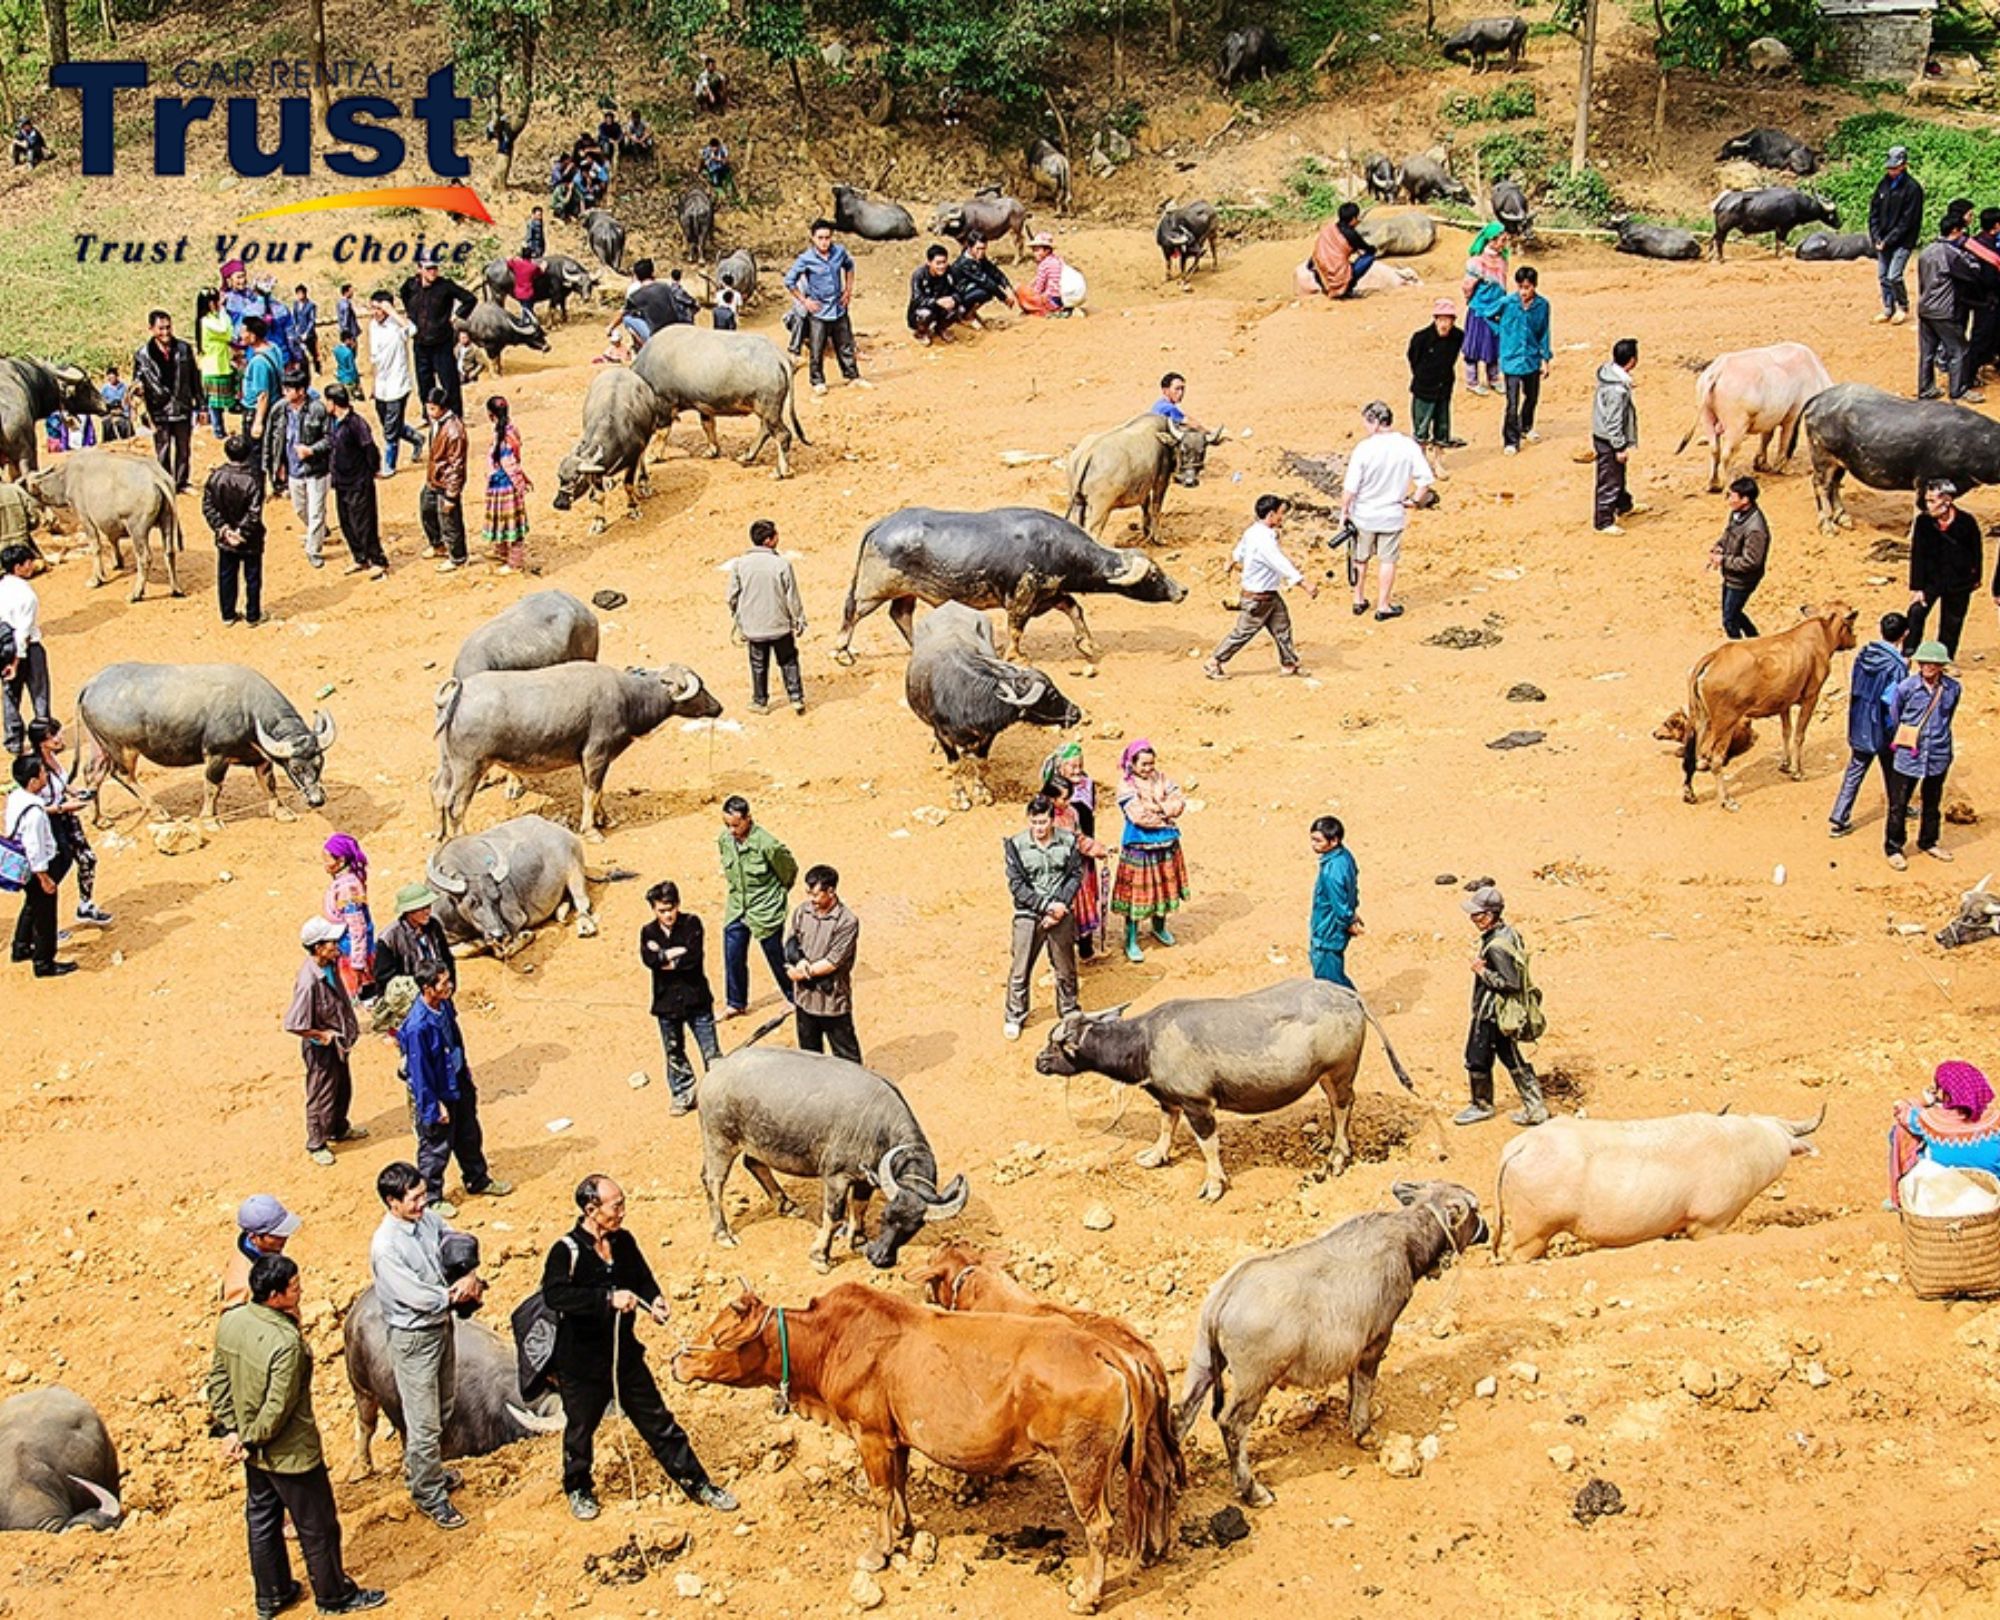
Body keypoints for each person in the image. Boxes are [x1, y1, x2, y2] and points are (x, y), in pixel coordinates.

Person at [543, 1174, 736, 1521]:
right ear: (591, 1209)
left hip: (625, 1356)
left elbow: (641, 1278)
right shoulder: (566, 1251)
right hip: (582, 1363)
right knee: (580, 1431)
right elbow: (556, 1296)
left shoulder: (624, 1241)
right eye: (616, 1205)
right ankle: (578, 1488)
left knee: (659, 1422)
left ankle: (697, 1483)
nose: (622, 1212)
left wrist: (655, 1300)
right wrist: (606, 1299)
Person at [208, 1253, 387, 1619]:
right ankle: (334, 1597)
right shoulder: (287, 1343)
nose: (301, 1291)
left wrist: (233, 1430)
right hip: (290, 1454)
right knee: (318, 1527)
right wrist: (252, 1437)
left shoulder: (232, 1322)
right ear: (275, 1296)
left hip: (254, 1452)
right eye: (294, 1287)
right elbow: (278, 1408)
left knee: (261, 1519)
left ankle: (272, 1594)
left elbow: (218, 1385)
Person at [369, 1161, 483, 1530]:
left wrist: (467, 1272)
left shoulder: (427, 1221)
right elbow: (415, 1296)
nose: (423, 1203)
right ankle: (428, 1493)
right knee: (423, 1422)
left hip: (441, 1328)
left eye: (423, 1195)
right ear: (392, 1202)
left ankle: (427, 1471)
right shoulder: (386, 1247)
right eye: (415, 1198)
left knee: (443, 1404)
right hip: (415, 1337)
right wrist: (455, 1294)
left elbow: (453, 1243)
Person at [398, 965, 511, 1212]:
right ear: (428, 989)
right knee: (436, 1145)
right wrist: (434, 1104)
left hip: (457, 1079)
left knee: (468, 1133)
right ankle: (432, 1197)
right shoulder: (418, 1027)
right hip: (437, 1089)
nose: (449, 986)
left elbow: (454, 1038)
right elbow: (419, 1073)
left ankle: (477, 1179)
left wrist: (465, 1069)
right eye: (443, 983)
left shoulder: (445, 1005)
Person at [1457, 884, 1547, 1127]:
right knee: (1511, 1056)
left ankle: (1482, 1104)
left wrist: (1482, 971)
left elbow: (1510, 982)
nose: (1473, 919)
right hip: (1506, 1012)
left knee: (1476, 1058)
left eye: (1477, 915)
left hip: (1491, 1013)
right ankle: (1535, 1106)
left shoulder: (1496, 946)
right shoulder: (1509, 934)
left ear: (1489, 915)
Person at [1340, 399, 1434, 622]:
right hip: (1391, 515)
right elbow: (1425, 480)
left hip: (1363, 514)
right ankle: (1383, 605)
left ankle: (1358, 599)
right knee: (1388, 560)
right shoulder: (1407, 445)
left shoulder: (1364, 448)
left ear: (1374, 422)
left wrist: (1344, 511)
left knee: (1360, 559)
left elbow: (1350, 488)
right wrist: (1413, 501)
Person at [1205, 493, 1316, 679]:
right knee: (1242, 634)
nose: (1283, 518)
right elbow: (1280, 563)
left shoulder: (1253, 532)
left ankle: (1289, 663)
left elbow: (1239, 551)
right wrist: (1304, 584)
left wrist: (1231, 561)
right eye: (1281, 513)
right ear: (1271, 515)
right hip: (1258, 598)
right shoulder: (1264, 540)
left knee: (1282, 628)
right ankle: (1214, 662)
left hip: (1269, 595)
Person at [1002, 795, 1082, 1041]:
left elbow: (1074, 875)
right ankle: (1015, 1015)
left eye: (1043, 822)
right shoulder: (1016, 845)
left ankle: (1069, 1010)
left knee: (1065, 967)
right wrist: (1045, 906)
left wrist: (1060, 906)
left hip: (1061, 911)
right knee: (1020, 967)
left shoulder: (1068, 842)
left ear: (1052, 819)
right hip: (1029, 913)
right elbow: (1017, 885)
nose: (1039, 827)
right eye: (1034, 822)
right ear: (1029, 820)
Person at [284, 917, 361, 1165]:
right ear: (318, 948)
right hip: (321, 1049)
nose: (337, 946)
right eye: (331, 942)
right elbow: (295, 1023)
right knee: (321, 1094)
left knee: (342, 1088)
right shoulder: (309, 981)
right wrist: (321, 1035)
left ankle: (339, 1128)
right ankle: (316, 1142)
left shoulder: (330, 964)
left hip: (338, 1041)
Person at [1830, 610, 1910, 838]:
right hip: (1882, 726)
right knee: (1894, 769)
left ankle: (1839, 816)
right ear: (1904, 634)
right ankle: (1898, 807)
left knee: (1855, 769)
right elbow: (1891, 701)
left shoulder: (1865, 654)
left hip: (1859, 720)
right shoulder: (1896, 666)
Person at [642, 880, 718, 1115]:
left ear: (678, 905)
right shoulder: (648, 932)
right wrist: (674, 954)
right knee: (674, 1051)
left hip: (697, 999)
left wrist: (664, 956)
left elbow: (693, 958)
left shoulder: (692, 923)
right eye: (662, 910)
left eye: (670, 908)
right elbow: (650, 961)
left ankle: (717, 1097)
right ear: (654, 910)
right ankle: (682, 1094)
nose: (667, 915)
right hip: (666, 1004)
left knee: (711, 1052)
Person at [718, 796, 798, 1017]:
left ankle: (793, 996)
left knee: (775, 955)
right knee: (733, 954)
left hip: (765, 909)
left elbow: (788, 871)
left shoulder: (767, 845)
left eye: (736, 825)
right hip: (737, 906)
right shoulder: (724, 841)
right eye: (727, 825)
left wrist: (776, 895)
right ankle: (736, 1002)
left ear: (748, 819)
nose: (732, 830)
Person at [1884, 639, 1961, 870]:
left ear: (1941, 666)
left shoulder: (1952, 688)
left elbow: (1949, 715)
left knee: (1932, 801)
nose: (1929, 666)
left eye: (1934, 663)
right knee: (1899, 803)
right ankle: (1894, 847)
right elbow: (1896, 714)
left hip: (1938, 753)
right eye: (1925, 662)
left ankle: (1928, 841)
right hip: (1909, 755)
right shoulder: (1906, 687)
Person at [1111, 740, 1187, 963]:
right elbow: (1138, 816)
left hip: (1167, 844)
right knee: (1136, 895)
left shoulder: (1161, 779)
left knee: (1164, 887)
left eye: (1151, 763)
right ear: (1132, 764)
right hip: (1139, 847)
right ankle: (1131, 938)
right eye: (1143, 764)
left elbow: (1179, 802)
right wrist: (1166, 815)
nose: (1148, 768)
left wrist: (1158, 807)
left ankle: (1159, 927)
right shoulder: (1126, 786)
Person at [28, 719, 108, 928]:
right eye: (53, 736)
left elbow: (61, 785)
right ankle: (41, 927)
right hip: (48, 824)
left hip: (66, 817)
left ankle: (85, 905)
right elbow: (33, 808)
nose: (59, 738)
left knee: (87, 859)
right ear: (42, 742)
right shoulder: (34, 768)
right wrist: (64, 807)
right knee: (53, 874)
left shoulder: (52, 758)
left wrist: (79, 792)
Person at [1889, 1061, 2000, 1206]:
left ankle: (1899, 1198)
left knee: (1899, 1131)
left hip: (1943, 1191)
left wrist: (1927, 1098)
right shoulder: (1996, 1119)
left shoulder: (1930, 1119)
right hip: (1991, 1189)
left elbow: (1900, 1109)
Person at [727, 518, 807, 713]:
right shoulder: (781, 564)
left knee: (758, 664)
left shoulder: (740, 564)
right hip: (779, 625)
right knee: (788, 660)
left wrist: (739, 617)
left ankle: (760, 701)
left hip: (753, 628)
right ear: (769, 541)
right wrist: (799, 619)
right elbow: (792, 597)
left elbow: (731, 596)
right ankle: (796, 698)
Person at [785, 865, 862, 1061]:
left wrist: (802, 973)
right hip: (804, 999)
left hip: (831, 1002)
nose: (812, 899)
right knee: (809, 1057)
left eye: (816, 895)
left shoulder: (847, 921)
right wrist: (800, 961)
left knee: (847, 1058)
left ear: (831, 891)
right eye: (809, 893)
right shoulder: (803, 911)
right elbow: (791, 941)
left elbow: (833, 962)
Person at [7, 753, 73, 977]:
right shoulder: (35, 812)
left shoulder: (16, 797)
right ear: (33, 781)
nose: (46, 775)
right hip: (37, 868)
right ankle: (44, 963)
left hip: (22, 865)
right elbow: (35, 848)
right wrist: (44, 878)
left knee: (32, 905)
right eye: (43, 773)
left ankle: (20, 947)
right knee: (45, 915)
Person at [786, 220, 865, 395]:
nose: (824, 242)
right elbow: (789, 281)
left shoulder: (839, 252)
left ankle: (853, 376)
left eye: (827, 238)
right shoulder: (806, 259)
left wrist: (848, 289)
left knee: (845, 344)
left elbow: (849, 266)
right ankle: (817, 380)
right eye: (820, 238)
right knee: (817, 347)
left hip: (838, 306)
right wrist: (804, 301)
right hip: (819, 310)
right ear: (813, 238)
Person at [1905, 479, 1981, 657]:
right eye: (1927, 500)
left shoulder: (1966, 522)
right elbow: (1918, 555)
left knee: (1952, 622)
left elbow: (1976, 551)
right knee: (1916, 613)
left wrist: (1975, 577)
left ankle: (1944, 657)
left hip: (1958, 582)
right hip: (1931, 581)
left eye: (1932, 501)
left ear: (1947, 501)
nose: (1928, 505)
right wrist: (1917, 587)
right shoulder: (1923, 522)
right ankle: (1909, 651)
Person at [399, 249, 477, 419]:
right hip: (420, 344)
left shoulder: (445, 286)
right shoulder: (410, 286)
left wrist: (457, 316)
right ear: (419, 269)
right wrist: (411, 318)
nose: (433, 271)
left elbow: (470, 299)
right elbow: (403, 295)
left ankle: (456, 416)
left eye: (435, 268)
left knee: (449, 382)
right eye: (428, 268)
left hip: (442, 343)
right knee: (424, 383)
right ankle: (429, 415)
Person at [1040, 768, 1108, 964]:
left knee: (1083, 910)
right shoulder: (1044, 821)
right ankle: (1059, 964)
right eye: (1063, 799)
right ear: (1050, 799)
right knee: (1059, 921)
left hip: (1077, 872)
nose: (1067, 802)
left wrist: (1096, 848)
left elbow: (1078, 836)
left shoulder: (1071, 813)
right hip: (1057, 878)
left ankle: (1086, 952)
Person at [1916, 214, 1986, 402]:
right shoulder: (1950, 254)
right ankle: (1958, 390)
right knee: (1959, 349)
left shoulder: (1926, 251)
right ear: (1955, 231)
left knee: (1927, 352)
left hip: (1925, 307)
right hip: (1944, 309)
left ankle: (1925, 388)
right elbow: (1972, 272)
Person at [266, 368, 331, 570]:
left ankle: (313, 550)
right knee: (300, 508)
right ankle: (320, 531)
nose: (285, 393)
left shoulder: (318, 410)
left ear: (301, 391)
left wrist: (311, 450)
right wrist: (275, 466)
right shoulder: (279, 410)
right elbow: (271, 440)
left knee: (316, 512)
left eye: (289, 389)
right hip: (293, 470)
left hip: (316, 470)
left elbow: (330, 439)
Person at [133, 307, 202, 493]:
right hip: (159, 409)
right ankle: (165, 483)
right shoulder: (142, 355)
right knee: (162, 448)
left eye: (168, 328)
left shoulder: (184, 349)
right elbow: (137, 381)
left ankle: (181, 482)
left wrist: (200, 405)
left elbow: (195, 377)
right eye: (161, 328)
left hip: (182, 406)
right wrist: (139, 393)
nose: (166, 332)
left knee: (183, 448)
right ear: (151, 329)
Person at [203, 433, 267, 627]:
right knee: (252, 577)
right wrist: (241, 533)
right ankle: (253, 615)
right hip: (250, 539)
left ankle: (228, 614)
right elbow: (254, 512)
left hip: (225, 539)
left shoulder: (216, 476)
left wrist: (223, 530)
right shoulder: (254, 479)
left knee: (226, 576)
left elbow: (208, 507)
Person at [324, 384, 387, 578]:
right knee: (346, 522)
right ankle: (360, 557)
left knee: (364, 522)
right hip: (342, 482)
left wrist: (372, 470)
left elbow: (370, 449)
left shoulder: (356, 424)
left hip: (358, 481)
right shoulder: (332, 422)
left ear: (333, 403)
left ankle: (377, 559)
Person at [366, 295, 426, 474]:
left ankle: (389, 465)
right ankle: (416, 439)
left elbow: (413, 329)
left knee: (391, 429)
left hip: (398, 384)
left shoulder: (397, 326)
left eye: (379, 308)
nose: (376, 312)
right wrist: (372, 384)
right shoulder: (372, 327)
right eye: (373, 308)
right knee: (389, 424)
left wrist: (393, 312)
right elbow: (374, 358)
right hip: (381, 385)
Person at [1, 542, 51, 754]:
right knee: (39, 693)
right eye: (28, 563)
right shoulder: (26, 595)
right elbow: (23, 633)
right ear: (18, 567)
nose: (32, 566)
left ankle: (14, 741)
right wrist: (16, 661)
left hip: (4, 647)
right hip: (27, 650)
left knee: (10, 696)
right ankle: (43, 737)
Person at [1496, 266, 1552, 455]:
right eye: (1521, 287)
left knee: (1532, 396)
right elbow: (1487, 315)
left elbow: (1544, 332)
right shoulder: (1507, 303)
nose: (1523, 292)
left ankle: (1526, 426)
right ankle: (1510, 439)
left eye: (1527, 287)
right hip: (1511, 358)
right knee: (1512, 401)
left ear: (1534, 286)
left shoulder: (1542, 306)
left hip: (1531, 358)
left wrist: (1545, 358)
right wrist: (1502, 332)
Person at [1869, 145, 1926, 326]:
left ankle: (1902, 306)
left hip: (1903, 241)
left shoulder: (1913, 189)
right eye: (1889, 167)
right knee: (1883, 276)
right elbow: (1874, 213)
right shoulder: (1883, 185)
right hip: (1882, 240)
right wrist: (1876, 236)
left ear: (1904, 165)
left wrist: (1889, 240)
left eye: (1895, 167)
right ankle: (1888, 308)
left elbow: (1907, 221)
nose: (1891, 171)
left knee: (1894, 276)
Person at [1708, 475, 1769, 639]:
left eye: (1732, 496)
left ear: (1745, 500)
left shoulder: (1755, 529)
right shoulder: (1737, 514)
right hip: (1732, 576)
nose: (1728, 500)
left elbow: (1751, 562)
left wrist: (1723, 560)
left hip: (1743, 580)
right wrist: (1719, 546)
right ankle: (1755, 640)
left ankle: (1739, 650)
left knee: (1729, 619)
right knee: (1733, 612)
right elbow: (1728, 534)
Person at [1590, 336, 1641, 535]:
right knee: (1610, 479)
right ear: (1632, 360)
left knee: (1617, 475)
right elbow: (1613, 421)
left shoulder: (1609, 374)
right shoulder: (1617, 390)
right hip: (1609, 439)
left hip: (1602, 434)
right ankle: (1603, 521)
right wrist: (1619, 446)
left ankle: (1624, 505)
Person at [1406, 301, 1465, 464]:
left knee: (1442, 427)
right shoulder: (1421, 338)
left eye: (1448, 320)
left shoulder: (1458, 337)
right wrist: (1423, 375)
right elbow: (1413, 359)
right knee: (1421, 428)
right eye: (1441, 319)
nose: (1445, 324)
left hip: (1444, 389)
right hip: (1424, 388)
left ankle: (1438, 461)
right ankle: (1421, 463)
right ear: (1435, 319)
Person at [1308, 815, 1360, 990]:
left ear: (1334, 841)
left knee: (1329, 982)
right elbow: (1351, 889)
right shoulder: (1345, 858)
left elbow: (1338, 900)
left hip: (1327, 931)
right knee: (1334, 974)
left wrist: (1348, 920)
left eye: (1318, 841)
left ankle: (1352, 1009)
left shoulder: (1332, 871)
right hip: (1333, 926)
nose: (1313, 845)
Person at [482, 395, 532, 575]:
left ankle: (514, 563)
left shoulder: (503, 437)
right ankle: (501, 551)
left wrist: (520, 483)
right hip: (501, 485)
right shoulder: (510, 431)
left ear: (490, 415)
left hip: (505, 486)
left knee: (511, 526)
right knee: (504, 521)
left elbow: (510, 465)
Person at [222, 1195, 300, 1309]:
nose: (285, 1237)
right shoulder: (244, 1284)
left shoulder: (266, 1250)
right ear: (254, 1237)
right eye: (276, 1235)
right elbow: (234, 1320)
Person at [421, 389, 469, 572]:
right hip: (433, 479)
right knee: (427, 511)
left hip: (446, 482)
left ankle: (458, 557)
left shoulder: (454, 431)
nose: (429, 412)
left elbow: (457, 465)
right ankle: (437, 544)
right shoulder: (436, 424)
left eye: (432, 408)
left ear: (442, 408)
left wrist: (451, 494)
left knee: (450, 520)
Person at [1460, 222, 1509, 394]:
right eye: (1502, 240)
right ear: (1492, 240)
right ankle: (1472, 381)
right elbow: (1467, 286)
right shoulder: (1477, 263)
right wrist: (1471, 300)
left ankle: (1494, 378)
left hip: (1497, 310)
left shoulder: (1502, 260)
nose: (1504, 243)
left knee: (1494, 346)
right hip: (1480, 310)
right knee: (1474, 346)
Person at [239, 316, 285, 462]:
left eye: (243, 331)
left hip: (257, 411)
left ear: (253, 336)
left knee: (255, 455)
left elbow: (263, 395)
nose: (240, 335)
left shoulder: (259, 362)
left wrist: (257, 422)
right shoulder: (273, 348)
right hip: (274, 406)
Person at [197, 288, 237, 438]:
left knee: (220, 402)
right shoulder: (206, 321)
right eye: (212, 301)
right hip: (213, 365)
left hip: (221, 362)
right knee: (215, 402)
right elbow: (225, 330)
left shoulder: (213, 318)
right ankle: (218, 431)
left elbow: (228, 333)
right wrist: (223, 311)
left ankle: (220, 429)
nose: (215, 304)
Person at [951, 233, 1016, 322]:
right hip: (960, 295)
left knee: (989, 286)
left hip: (970, 290)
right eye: (978, 248)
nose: (981, 252)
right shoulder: (964, 263)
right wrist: (1004, 299)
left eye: (984, 248)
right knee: (987, 291)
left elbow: (994, 272)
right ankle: (966, 314)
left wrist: (1007, 287)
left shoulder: (978, 257)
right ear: (970, 247)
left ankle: (970, 312)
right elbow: (986, 282)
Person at [907, 243, 964, 344]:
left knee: (960, 309)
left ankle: (940, 328)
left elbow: (959, 290)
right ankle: (921, 333)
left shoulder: (950, 272)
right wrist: (936, 302)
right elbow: (917, 298)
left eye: (944, 262)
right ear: (929, 262)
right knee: (925, 314)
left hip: (941, 309)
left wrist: (954, 299)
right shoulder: (919, 275)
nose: (942, 266)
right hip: (921, 311)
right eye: (938, 263)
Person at [1020, 231, 1071, 315]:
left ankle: (1039, 311)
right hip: (1062, 298)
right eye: (1034, 250)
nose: (1035, 253)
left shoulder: (1043, 265)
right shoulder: (1058, 259)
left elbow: (1038, 289)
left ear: (1046, 250)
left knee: (1020, 291)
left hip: (1051, 300)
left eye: (1037, 250)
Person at [97, 365, 133, 441]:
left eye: (112, 377)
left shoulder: (123, 387)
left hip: (122, 412)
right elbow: (102, 402)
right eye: (109, 378)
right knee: (106, 423)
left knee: (125, 424)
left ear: (117, 376)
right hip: (110, 412)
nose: (111, 379)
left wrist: (123, 412)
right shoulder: (105, 388)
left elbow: (127, 402)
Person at [290, 284, 321, 373]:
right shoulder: (295, 304)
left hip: (309, 334)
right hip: (299, 333)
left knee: (314, 353)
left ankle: (317, 370)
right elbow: (294, 317)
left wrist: (307, 333)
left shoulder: (311, 305)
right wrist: (295, 328)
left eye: (301, 293)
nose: (300, 296)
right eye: (298, 294)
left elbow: (312, 320)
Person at [700, 135, 737, 203]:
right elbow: (702, 159)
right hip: (713, 169)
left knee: (728, 179)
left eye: (715, 147)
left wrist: (717, 159)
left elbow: (726, 160)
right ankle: (722, 196)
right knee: (716, 183)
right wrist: (701, 168)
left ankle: (731, 193)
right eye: (712, 147)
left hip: (722, 167)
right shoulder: (707, 150)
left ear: (718, 146)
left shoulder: (723, 149)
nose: (714, 149)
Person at [335, 282, 361, 351]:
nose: (352, 293)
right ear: (346, 292)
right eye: (351, 291)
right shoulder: (346, 305)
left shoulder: (340, 303)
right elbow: (345, 321)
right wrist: (348, 336)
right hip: (349, 334)